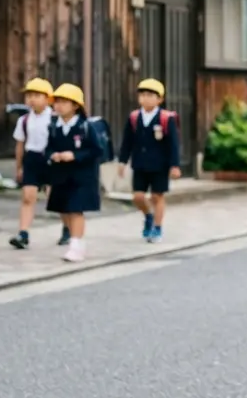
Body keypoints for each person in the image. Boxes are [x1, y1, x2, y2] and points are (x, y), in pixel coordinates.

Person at [9, 78, 71, 248]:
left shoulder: (55, 119)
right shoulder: (24, 120)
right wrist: (19, 166)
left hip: (51, 160)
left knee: (55, 198)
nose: (32, 99)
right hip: (32, 159)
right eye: (29, 95)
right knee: (28, 197)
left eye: (37, 95)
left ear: (48, 99)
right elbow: (20, 144)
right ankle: (23, 234)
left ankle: (67, 227)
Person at [117, 79, 181, 243]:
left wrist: (174, 165)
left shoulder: (166, 118)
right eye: (143, 95)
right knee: (138, 197)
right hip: (139, 163)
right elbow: (127, 142)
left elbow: (173, 144)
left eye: (151, 95)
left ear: (159, 99)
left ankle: (157, 228)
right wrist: (122, 161)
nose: (146, 98)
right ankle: (148, 216)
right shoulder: (134, 117)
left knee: (157, 196)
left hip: (159, 164)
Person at [45, 83, 102, 263]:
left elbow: (96, 150)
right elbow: (47, 148)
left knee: (76, 210)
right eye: (56, 102)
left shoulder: (85, 127)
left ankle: (76, 245)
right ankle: (76, 240)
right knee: (64, 210)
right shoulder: (54, 126)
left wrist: (75, 155)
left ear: (75, 105)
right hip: (61, 175)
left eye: (63, 102)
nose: (58, 106)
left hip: (82, 177)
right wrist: (53, 155)